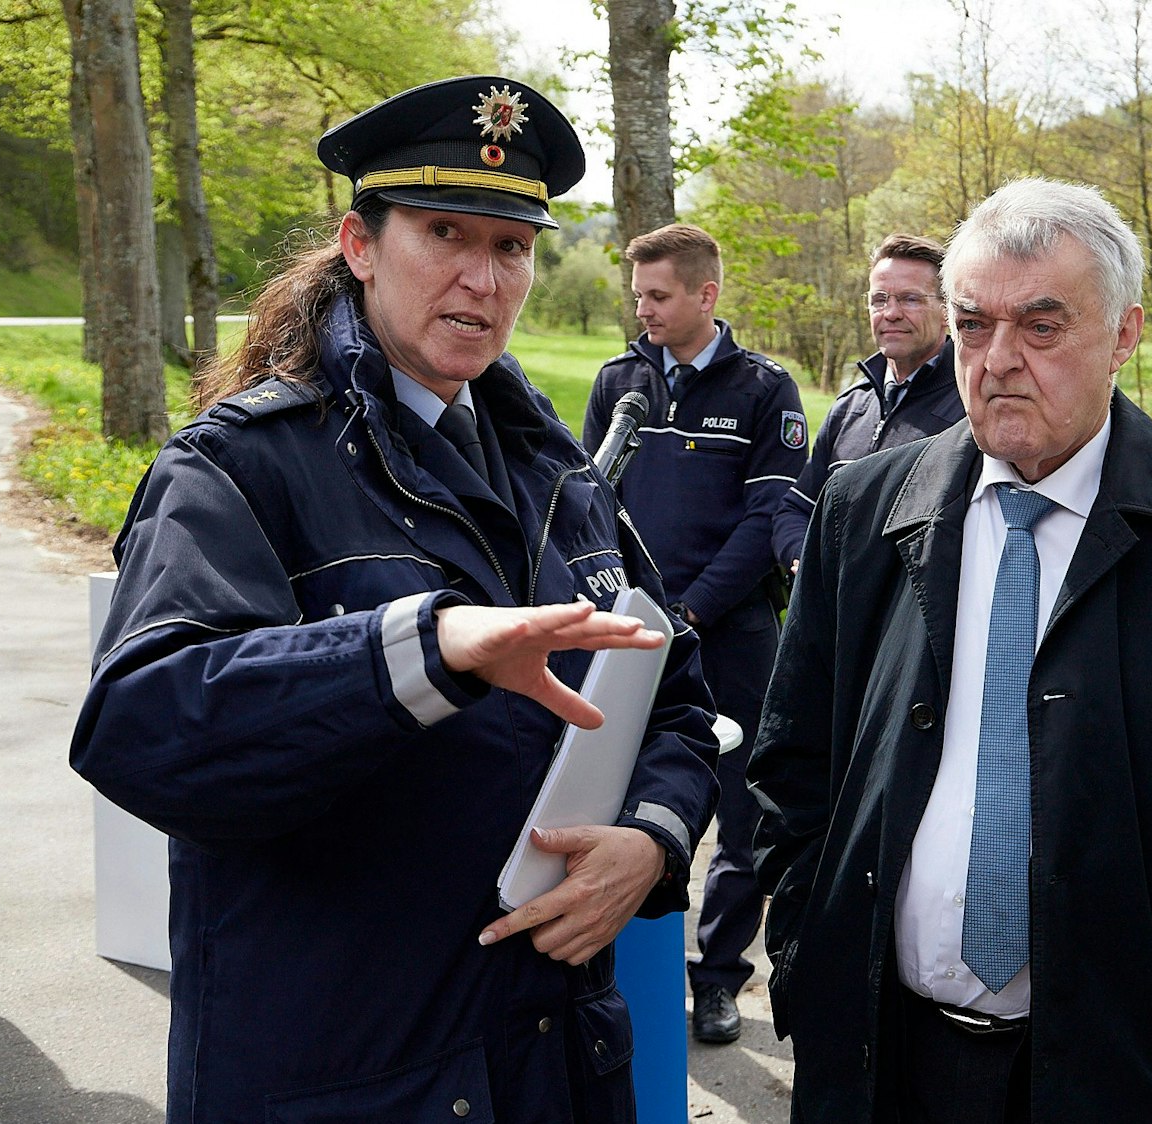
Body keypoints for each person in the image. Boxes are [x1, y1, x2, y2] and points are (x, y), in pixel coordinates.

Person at [70, 76, 721, 1123]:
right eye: (443, 233)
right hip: (350, 1074)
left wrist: (650, 838)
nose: (482, 276)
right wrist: (420, 649)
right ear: (360, 246)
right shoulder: (240, 466)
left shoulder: (557, 469)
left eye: (511, 246)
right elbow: (141, 725)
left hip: (552, 1064)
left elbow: (676, 698)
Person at [749, 178, 1152, 1124]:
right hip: (879, 1055)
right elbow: (794, 759)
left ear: (1124, 334)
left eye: (1042, 327)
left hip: (1126, 1071)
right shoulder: (862, 508)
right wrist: (806, 954)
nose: (998, 361)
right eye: (973, 325)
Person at [583, 223, 805, 1044]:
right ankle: (624, 969)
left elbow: (767, 517)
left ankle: (716, 978)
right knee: (624, 797)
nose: (642, 311)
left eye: (658, 296)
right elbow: (589, 501)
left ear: (706, 294)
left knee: (742, 817)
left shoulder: (763, 389)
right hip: (634, 634)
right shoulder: (619, 382)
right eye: (637, 296)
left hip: (731, 636)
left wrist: (693, 610)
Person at [770, 233, 965, 572]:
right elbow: (796, 509)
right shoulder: (849, 407)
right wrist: (807, 563)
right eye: (879, 299)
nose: (891, 313)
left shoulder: (968, 408)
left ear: (946, 310)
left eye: (910, 299)